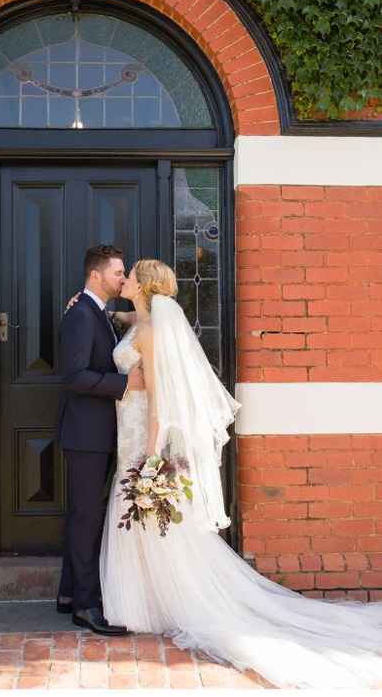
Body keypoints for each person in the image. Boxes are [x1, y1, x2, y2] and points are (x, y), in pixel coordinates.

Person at [96, 258, 382, 689]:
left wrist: (153, 455)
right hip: (127, 427)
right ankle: (151, 601)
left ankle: (156, 604)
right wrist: (107, 311)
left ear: (144, 285)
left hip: (141, 434)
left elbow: (160, 400)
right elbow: (133, 324)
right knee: (145, 524)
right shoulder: (144, 320)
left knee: (146, 517)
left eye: (132, 274)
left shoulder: (153, 332)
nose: (127, 278)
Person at [56, 244, 144, 636]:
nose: (122, 279)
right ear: (96, 276)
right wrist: (125, 384)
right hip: (85, 435)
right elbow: (73, 376)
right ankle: (87, 607)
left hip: (97, 433)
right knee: (86, 517)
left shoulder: (95, 311)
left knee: (84, 516)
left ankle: (69, 593)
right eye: (117, 273)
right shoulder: (80, 315)